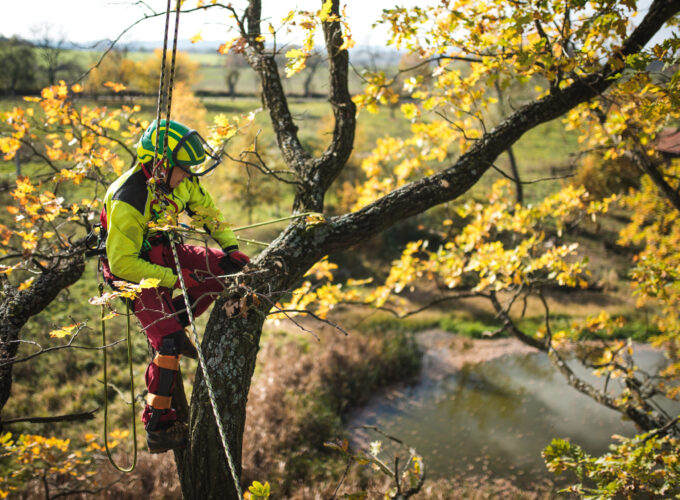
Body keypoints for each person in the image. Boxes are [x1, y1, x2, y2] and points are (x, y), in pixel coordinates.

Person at [99, 119, 250, 453]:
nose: (187, 176)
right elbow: (123, 263)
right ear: (159, 165)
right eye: (182, 170)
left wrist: (229, 249)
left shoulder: (181, 181)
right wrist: (174, 280)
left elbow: (208, 212)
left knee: (226, 272)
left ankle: (175, 321)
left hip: (165, 250)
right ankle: (157, 422)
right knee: (166, 343)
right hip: (133, 271)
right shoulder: (130, 198)